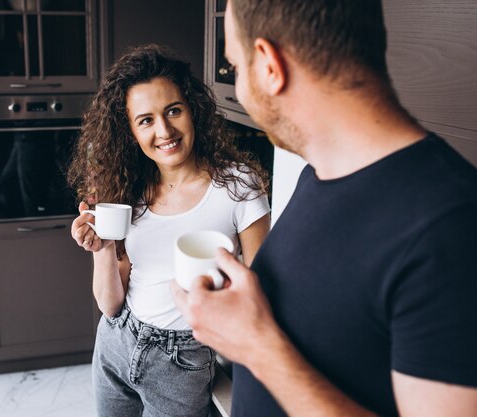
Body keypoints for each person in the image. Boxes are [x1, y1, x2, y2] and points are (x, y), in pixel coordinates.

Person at [172, 1, 477, 416]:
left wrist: (257, 346)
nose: (239, 89)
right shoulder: (318, 175)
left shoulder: (451, 226)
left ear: (269, 66)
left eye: (236, 68)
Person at [67, 44, 271, 417]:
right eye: (145, 120)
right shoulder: (126, 189)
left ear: (193, 110)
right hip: (116, 342)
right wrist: (103, 249)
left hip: (185, 357)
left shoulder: (238, 185)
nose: (164, 130)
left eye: (173, 111)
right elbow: (110, 305)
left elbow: (263, 290)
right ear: (129, 130)